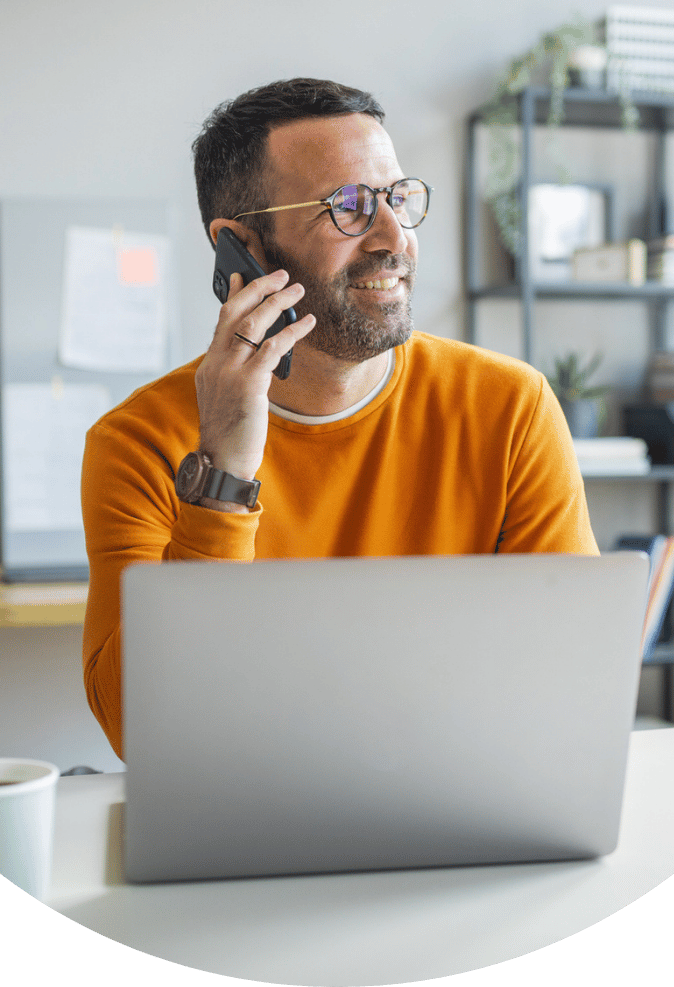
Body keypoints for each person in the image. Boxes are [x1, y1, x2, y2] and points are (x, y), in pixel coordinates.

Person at [81, 78, 598, 756]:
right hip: (248, 818)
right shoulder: (139, 442)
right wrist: (225, 472)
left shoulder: (508, 408)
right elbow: (142, 731)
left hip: (462, 799)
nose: (394, 238)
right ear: (243, 247)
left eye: (397, 198)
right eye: (347, 207)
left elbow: (575, 675)